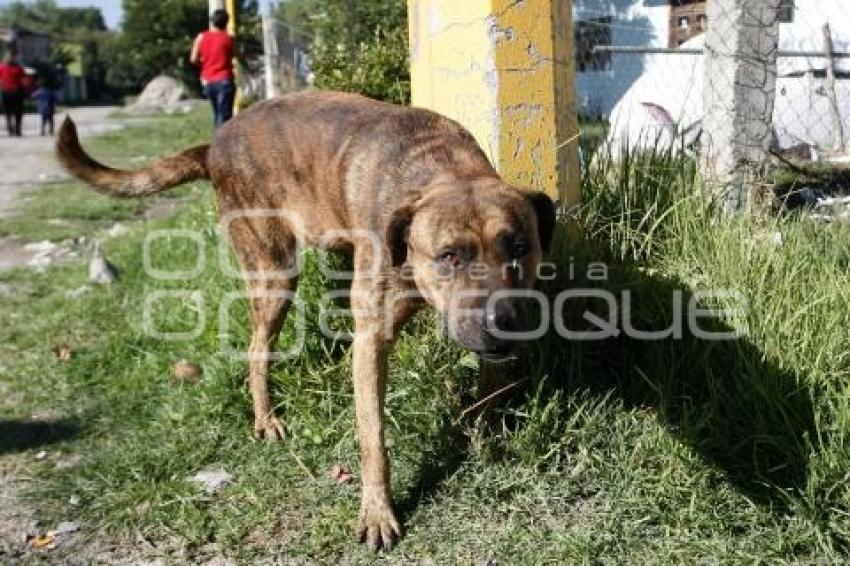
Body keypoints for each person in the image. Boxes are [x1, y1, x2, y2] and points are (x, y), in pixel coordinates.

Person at [190, 9, 236, 129]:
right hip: (224, 80)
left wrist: (205, 64)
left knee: (217, 114)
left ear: (212, 21)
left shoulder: (201, 37)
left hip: (208, 81)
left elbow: (193, 59)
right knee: (224, 116)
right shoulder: (229, 39)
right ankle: (221, 143)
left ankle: (218, 141)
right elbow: (238, 56)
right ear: (226, 23)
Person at [0, 50, 26, 137]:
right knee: (18, 112)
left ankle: (10, 129)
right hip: (16, 92)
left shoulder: (2, 67)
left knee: (8, 112)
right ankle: (17, 130)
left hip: (7, 91)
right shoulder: (19, 67)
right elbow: (24, 79)